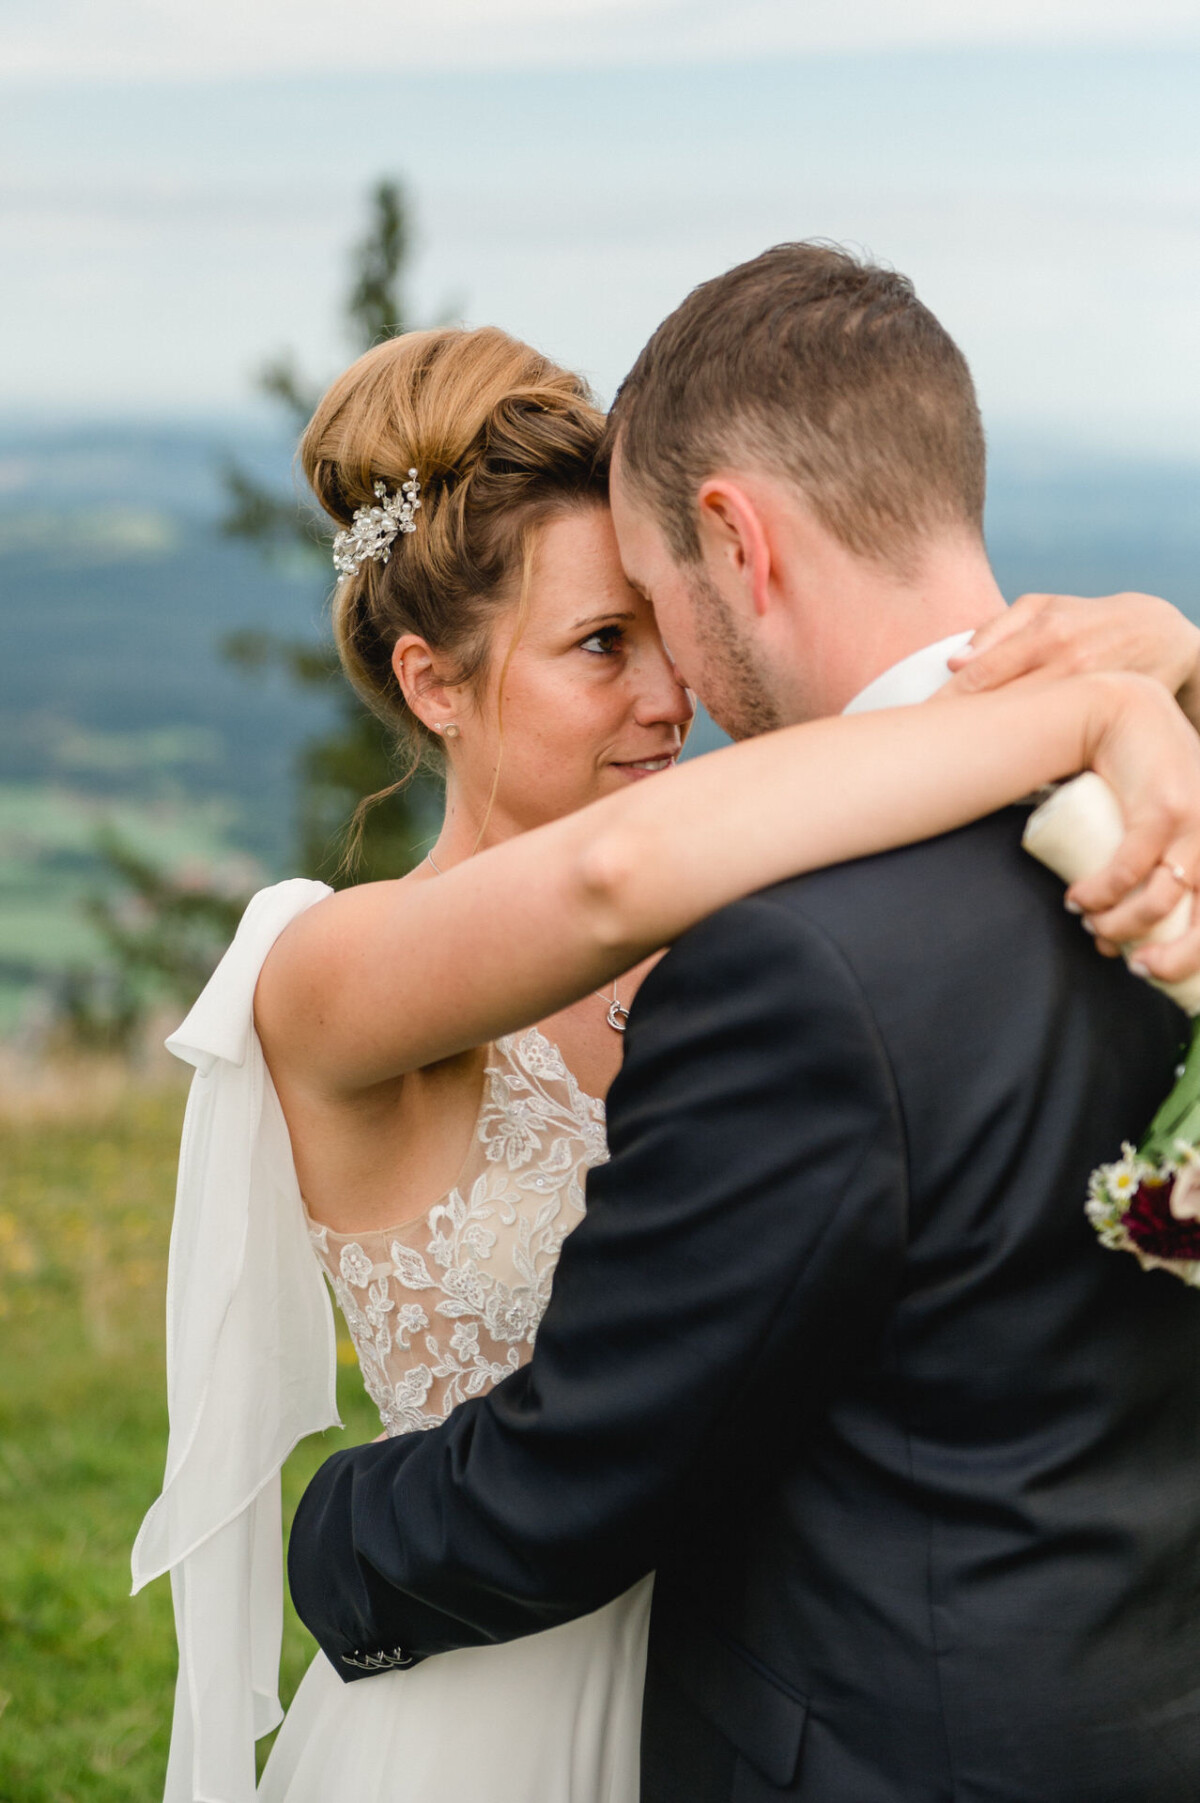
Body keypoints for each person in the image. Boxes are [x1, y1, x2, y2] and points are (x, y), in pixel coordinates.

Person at [276, 249, 1200, 1803]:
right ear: (432, 683)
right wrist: (1112, 695)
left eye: (659, 619)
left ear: (736, 544)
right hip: (507, 1689)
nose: (673, 696)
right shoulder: (339, 963)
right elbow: (613, 874)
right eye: (604, 640)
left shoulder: (785, 946)